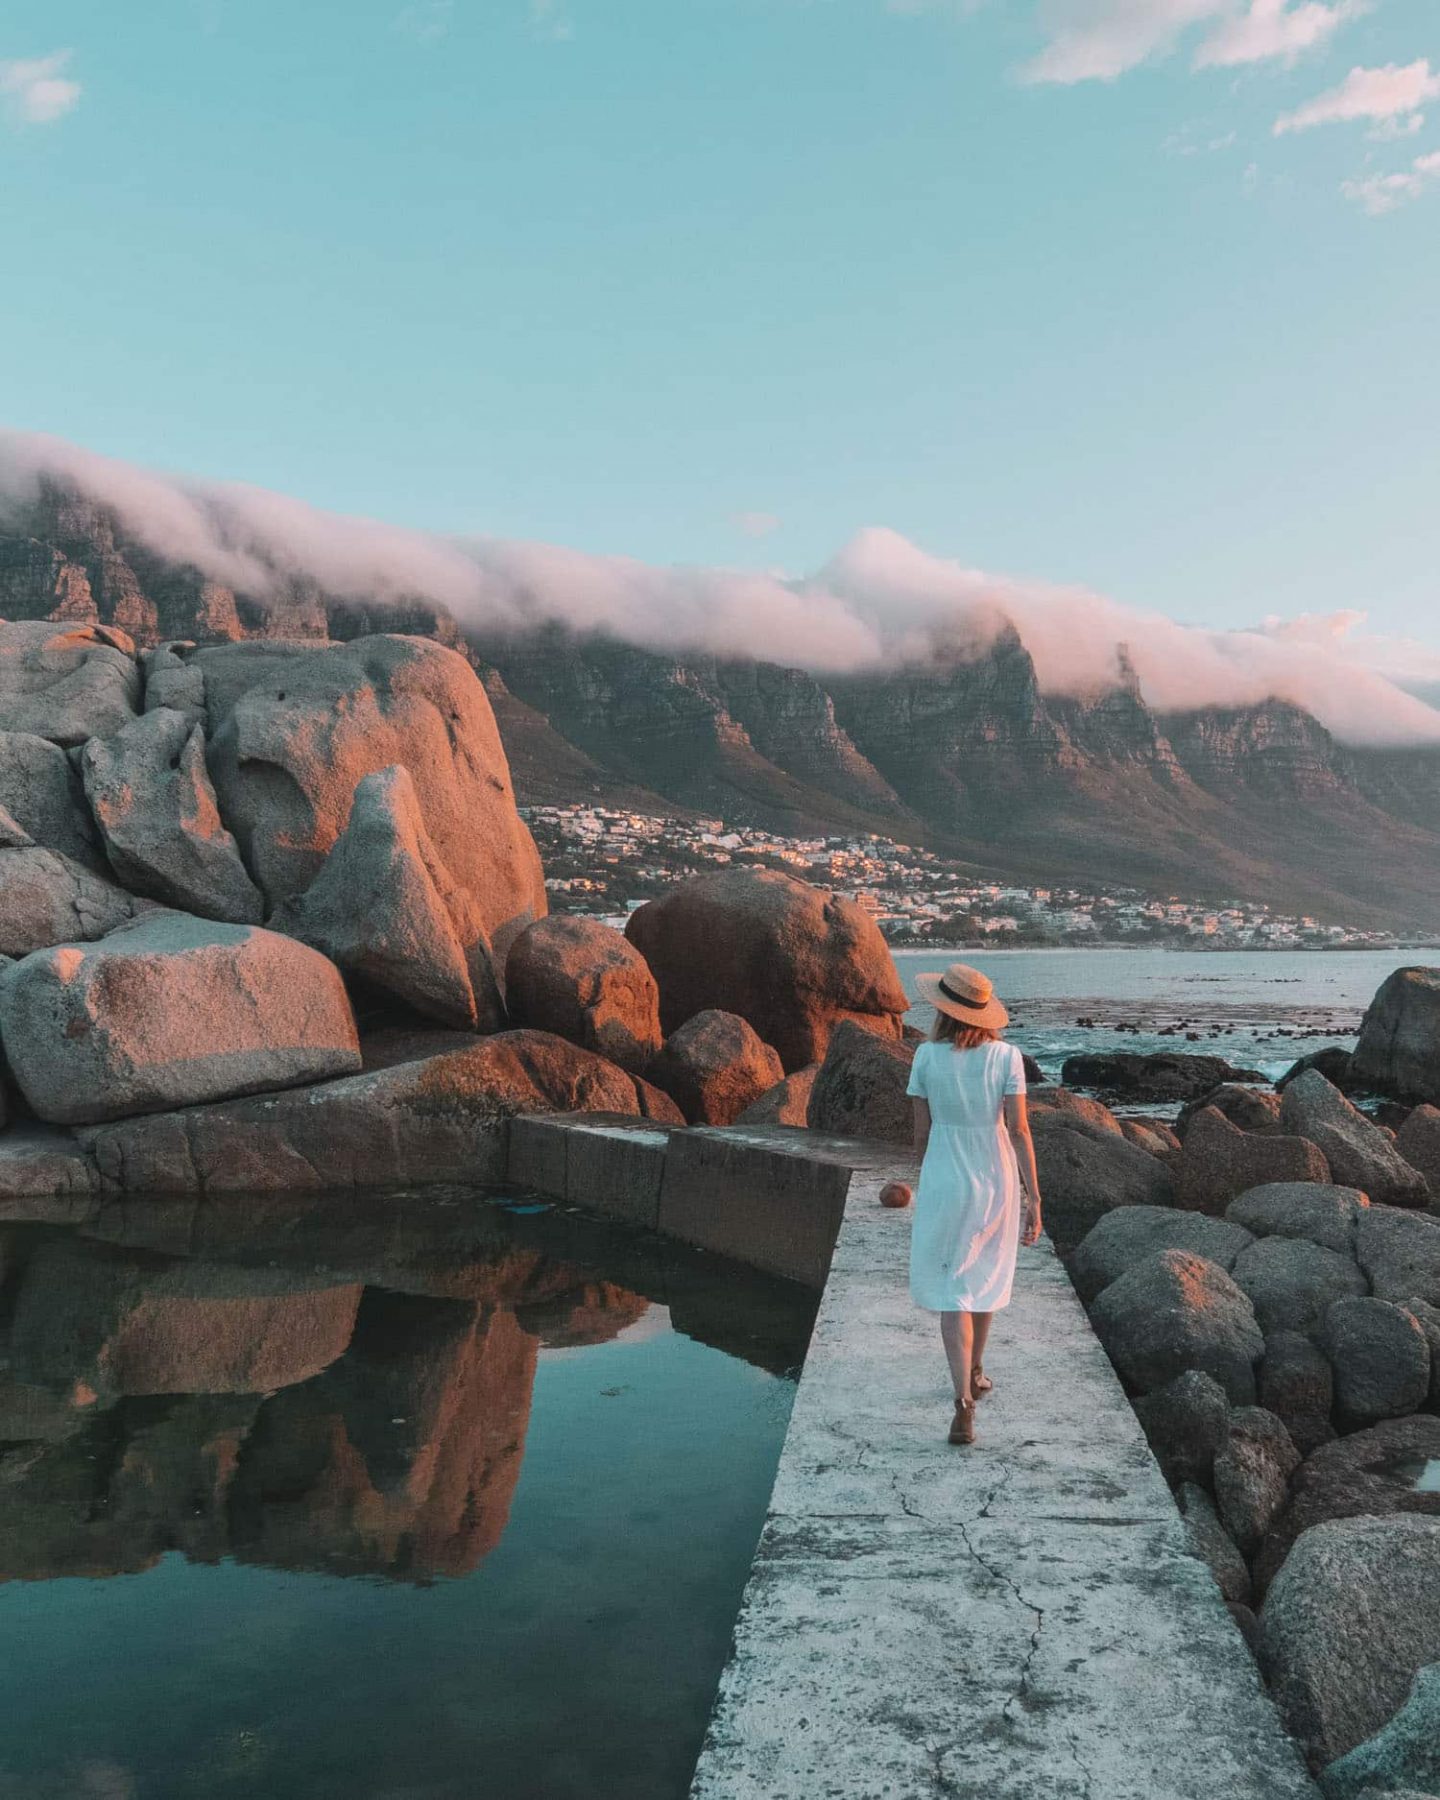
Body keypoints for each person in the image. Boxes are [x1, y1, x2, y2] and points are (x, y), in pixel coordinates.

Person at [907, 961, 1042, 1446]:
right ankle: (978, 1372)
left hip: (945, 1175)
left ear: (941, 1010)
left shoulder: (924, 1057)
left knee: (952, 1289)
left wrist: (923, 1183)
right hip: (996, 1175)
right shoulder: (1007, 1057)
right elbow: (1020, 1130)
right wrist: (1034, 1197)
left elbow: (921, 1134)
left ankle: (962, 1400)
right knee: (986, 1276)